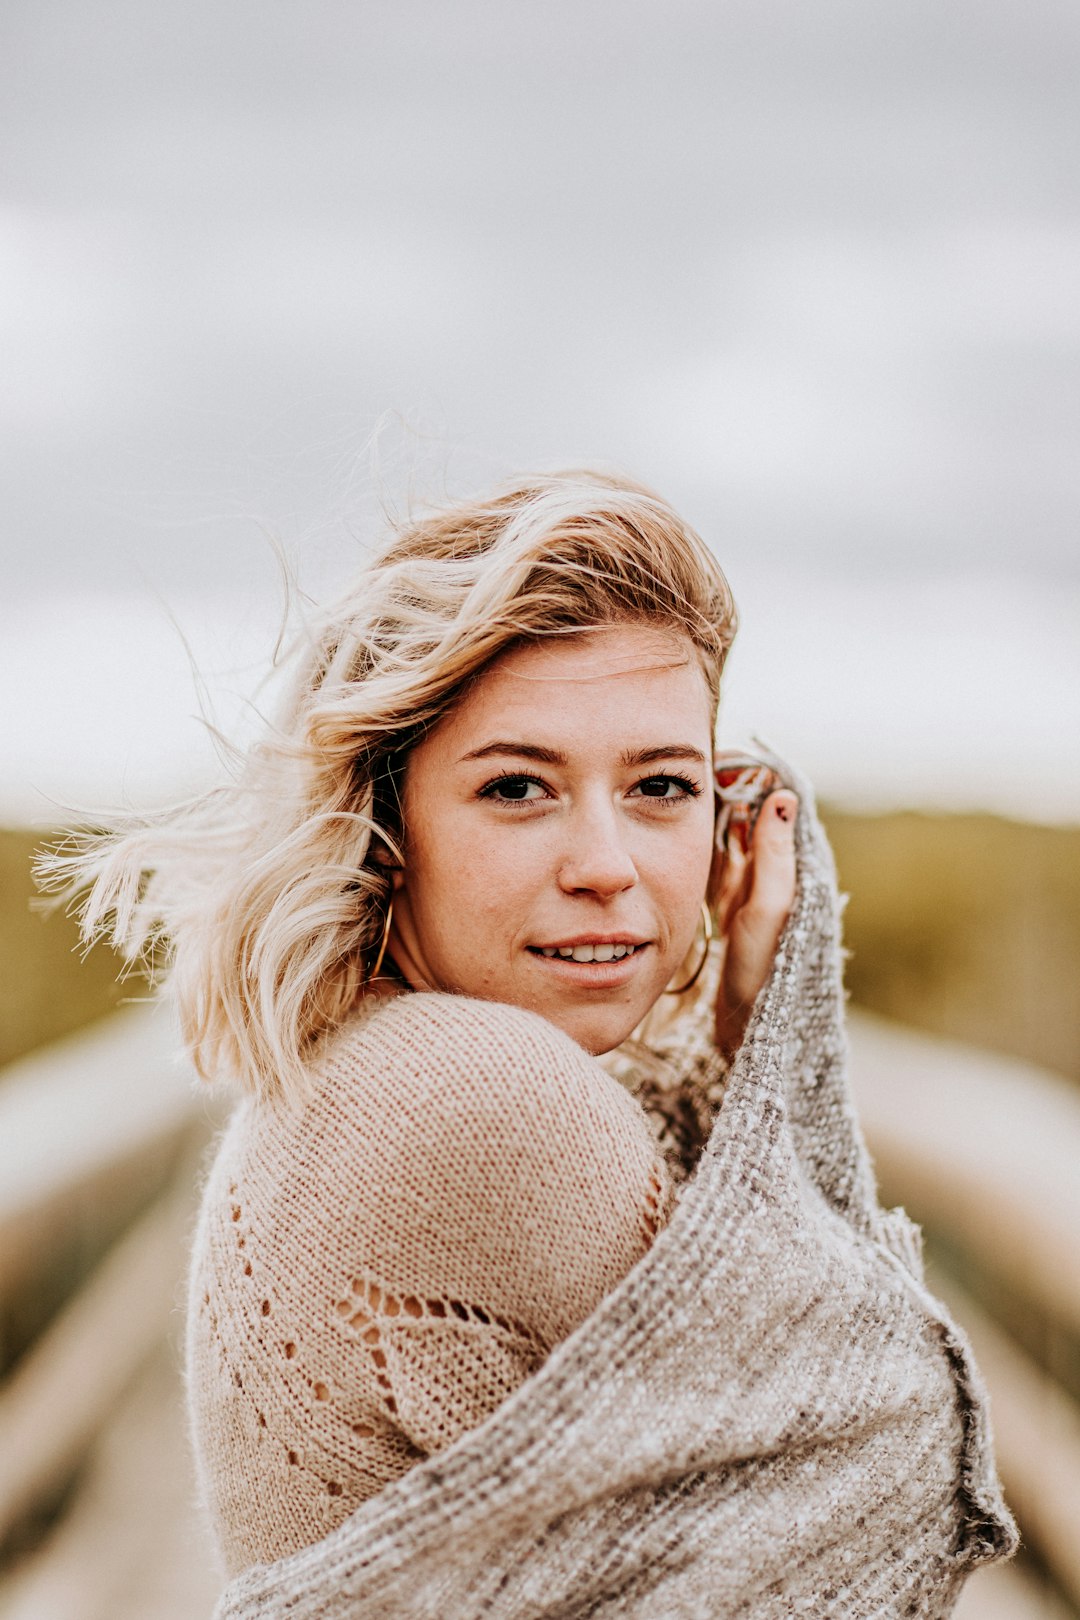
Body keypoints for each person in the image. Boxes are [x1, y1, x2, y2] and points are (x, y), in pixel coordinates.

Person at [51, 470, 1015, 1617]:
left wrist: (745, 1048)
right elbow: (870, 1454)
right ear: (384, 821)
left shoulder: (363, 1063)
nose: (605, 862)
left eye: (662, 785)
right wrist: (776, 1068)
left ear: (725, 819)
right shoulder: (480, 1099)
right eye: (518, 787)